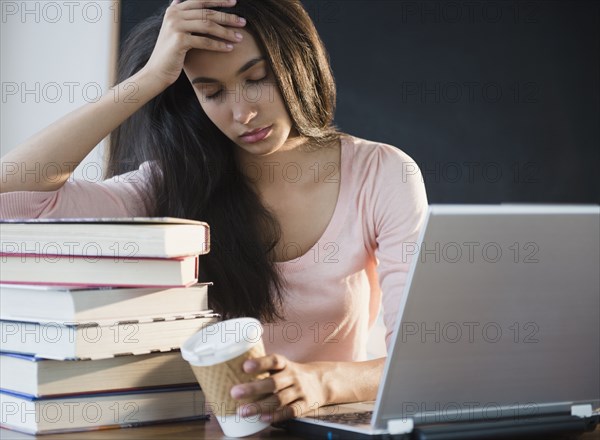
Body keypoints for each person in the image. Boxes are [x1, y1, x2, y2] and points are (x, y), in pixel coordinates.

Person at [0, 0, 428, 424]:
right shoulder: (170, 186)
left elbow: (420, 361)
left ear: (297, 61)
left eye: (257, 78)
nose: (243, 113)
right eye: (212, 92)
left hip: (322, 428)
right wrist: (149, 79)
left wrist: (319, 383)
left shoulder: (380, 174)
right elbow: (15, 201)